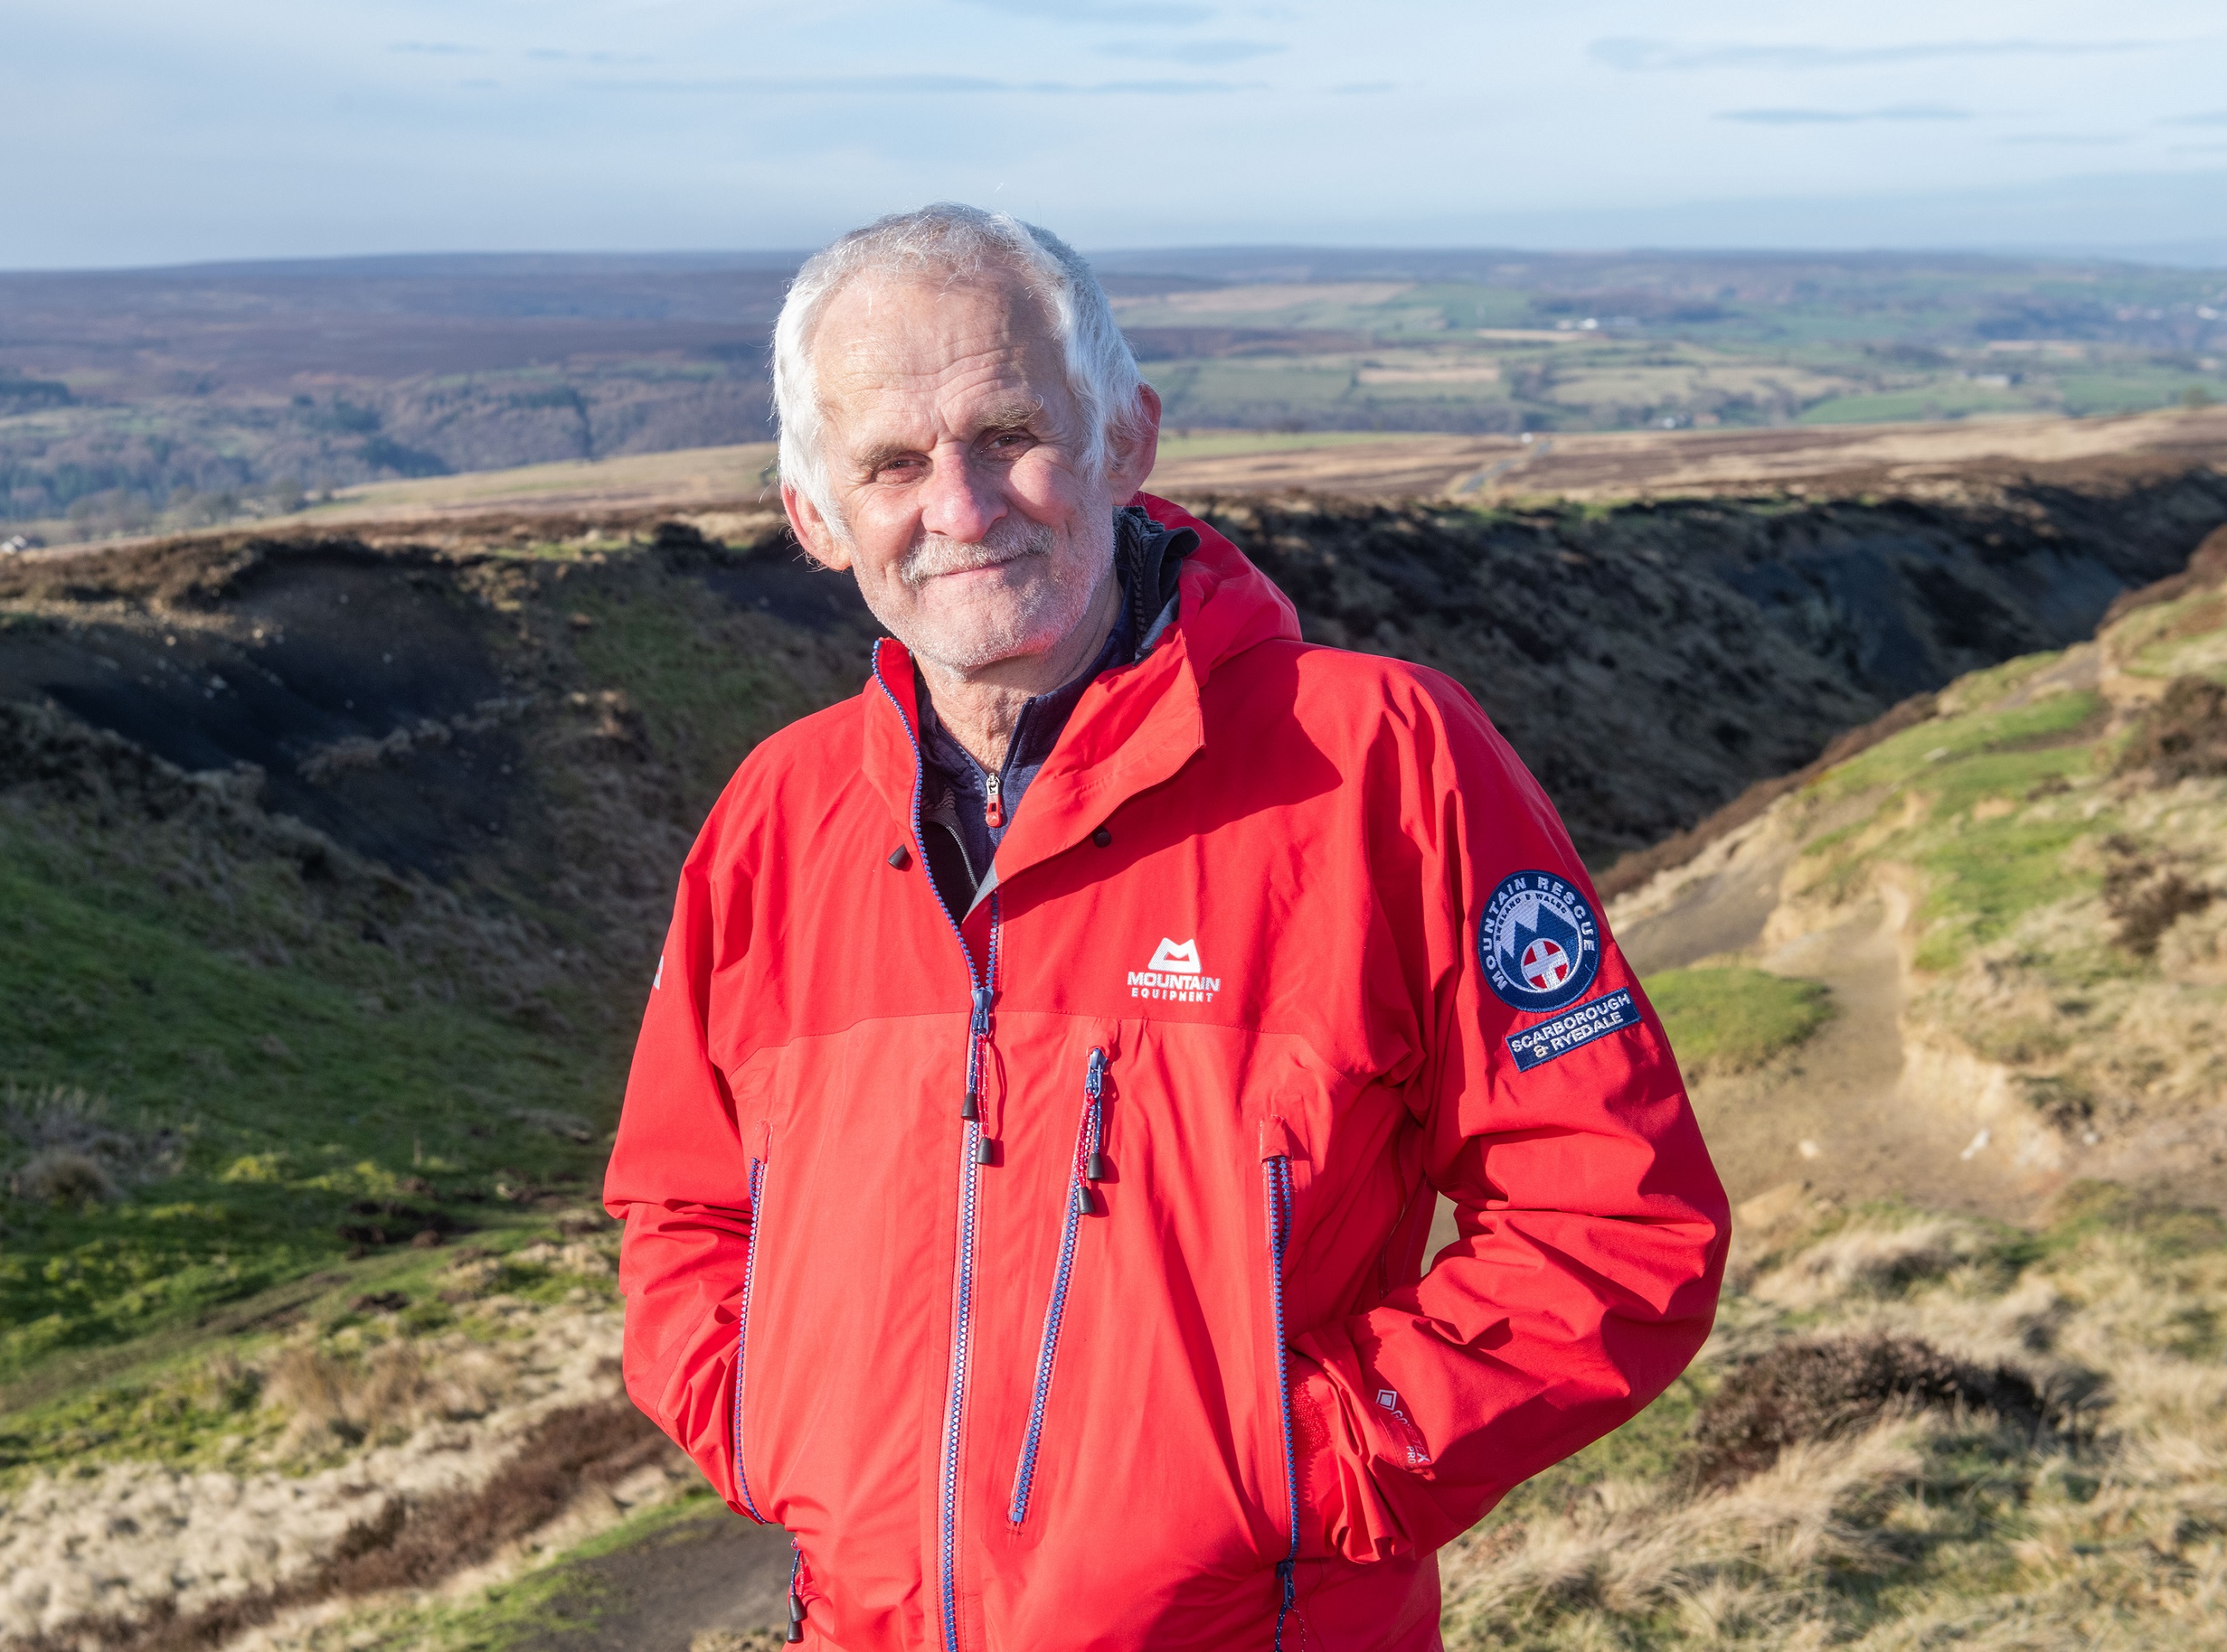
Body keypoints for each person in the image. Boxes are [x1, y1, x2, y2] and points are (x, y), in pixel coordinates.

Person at [603, 204, 1729, 1652]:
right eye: (888, 462)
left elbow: (1613, 1223)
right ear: (815, 517)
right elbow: (683, 1213)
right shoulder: (776, 816)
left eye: (1008, 430)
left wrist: (1290, 1459)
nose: (957, 506)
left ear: (1125, 438)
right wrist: (775, 1431)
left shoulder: (1381, 759)